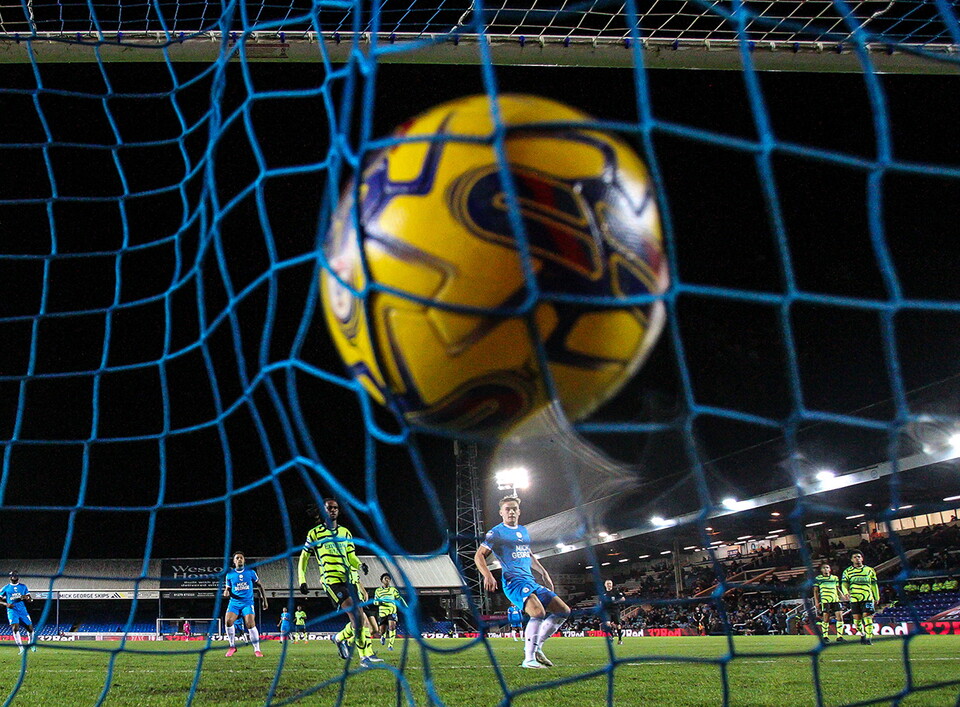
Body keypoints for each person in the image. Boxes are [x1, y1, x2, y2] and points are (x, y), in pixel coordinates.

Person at [474, 495, 571, 669]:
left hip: (530, 580)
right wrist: (487, 574)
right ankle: (529, 659)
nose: (511, 511)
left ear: (519, 511)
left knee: (563, 611)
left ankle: (537, 647)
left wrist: (543, 572)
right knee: (538, 613)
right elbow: (479, 555)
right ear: (501, 513)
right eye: (507, 509)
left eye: (514, 509)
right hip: (514, 582)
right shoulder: (496, 533)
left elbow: (528, 554)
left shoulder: (523, 531)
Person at [298, 498, 382, 668]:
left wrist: (360, 565)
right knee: (357, 616)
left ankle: (339, 639)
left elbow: (351, 556)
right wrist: (302, 579)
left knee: (360, 619)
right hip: (331, 581)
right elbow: (304, 557)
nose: (333, 510)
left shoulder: (345, 533)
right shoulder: (314, 534)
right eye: (329, 508)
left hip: (349, 581)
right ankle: (364, 657)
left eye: (335, 508)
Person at [222, 551, 268, 657]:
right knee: (228, 621)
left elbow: (260, 586)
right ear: (234, 561)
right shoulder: (230, 575)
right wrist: (226, 591)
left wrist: (264, 601)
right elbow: (228, 588)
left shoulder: (250, 572)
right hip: (234, 603)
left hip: (247, 603)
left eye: (241, 558)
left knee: (250, 623)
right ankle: (232, 646)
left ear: (244, 560)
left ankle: (257, 650)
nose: (239, 559)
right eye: (237, 558)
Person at [841, 552, 879, 645]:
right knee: (857, 621)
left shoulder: (869, 570)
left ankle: (869, 638)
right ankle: (862, 634)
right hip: (854, 598)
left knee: (867, 617)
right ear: (851, 560)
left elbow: (874, 584)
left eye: (859, 557)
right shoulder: (847, 571)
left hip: (867, 597)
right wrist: (845, 592)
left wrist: (876, 596)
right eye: (855, 557)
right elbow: (844, 584)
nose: (857, 558)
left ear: (862, 558)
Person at [0, 571, 36, 655]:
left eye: (15, 576)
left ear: (18, 577)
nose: (14, 577)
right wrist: (6, 604)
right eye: (12, 576)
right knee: (15, 628)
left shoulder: (23, 587)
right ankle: (21, 648)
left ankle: (31, 644)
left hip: (22, 611)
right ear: (10, 577)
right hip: (12, 611)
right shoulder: (6, 588)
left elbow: (31, 600)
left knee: (30, 628)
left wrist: (26, 597)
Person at [813, 562, 846, 643]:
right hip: (825, 601)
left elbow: (837, 588)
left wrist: (842, 595)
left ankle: (839, 636)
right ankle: (825, 636)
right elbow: (815, 591)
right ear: (821, 570)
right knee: (826, 619)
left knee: (840, 618)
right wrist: (816, 602)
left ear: (830, 569)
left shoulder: (835, 578)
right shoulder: (818, 579)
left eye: (827, 567)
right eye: (824, 568)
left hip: (835, 600)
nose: (826, 569)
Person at [374, 573, 408, 650]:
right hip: (382, 613)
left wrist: (406, 606)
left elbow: (399, 598)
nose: (387, 580)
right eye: (385, 578)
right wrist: (379, 602)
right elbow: (375, 602)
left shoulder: (393, 590)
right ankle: (383, 636)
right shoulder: (378, 591)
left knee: (392, 627)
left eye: (388, 579)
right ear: (381, 580)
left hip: (392, 611)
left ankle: (390, 645)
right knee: (382, 631)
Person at [600, 579, 626, 645]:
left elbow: (623, 599)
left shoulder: (615, 591)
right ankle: (612, 636)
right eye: (608, 583)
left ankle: (620, 639)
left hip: (615, 610)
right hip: (607, 610)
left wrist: (616, 602)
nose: (609, 585)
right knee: (607, 623)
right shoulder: (603, 593)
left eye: (610, 583)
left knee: (618, 625)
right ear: (605, 585)